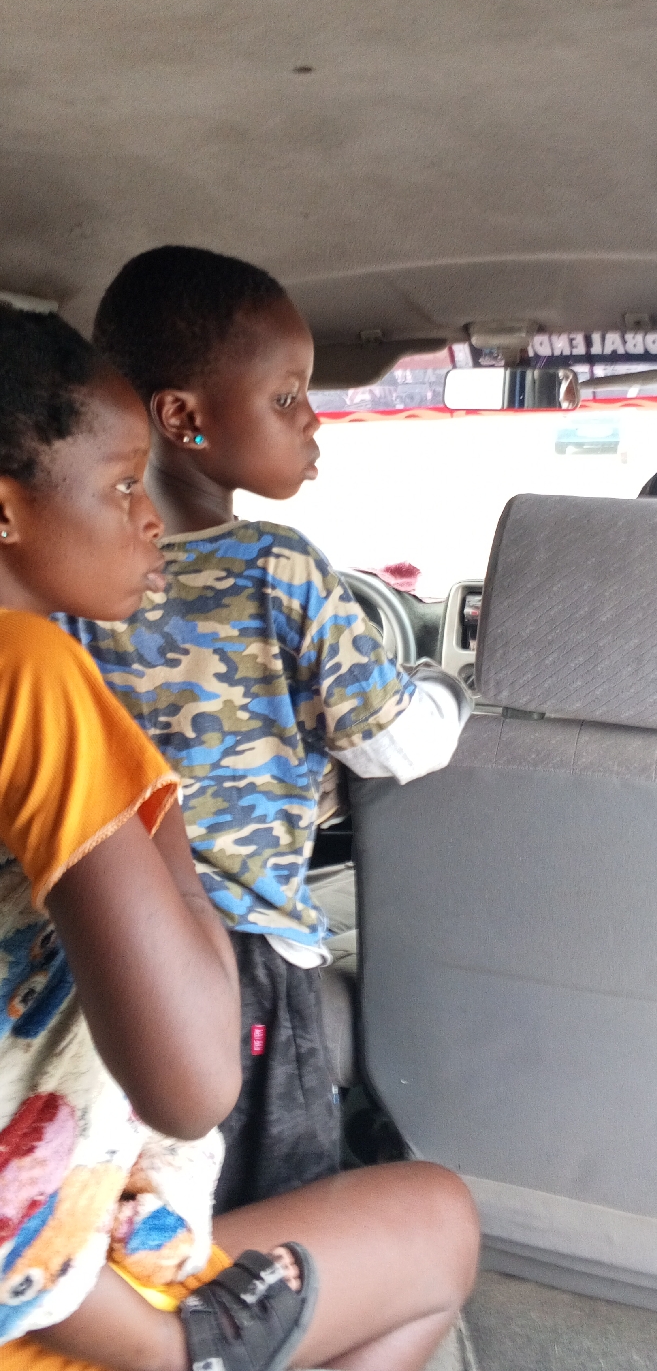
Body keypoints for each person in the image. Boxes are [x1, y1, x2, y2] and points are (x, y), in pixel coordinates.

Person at [0, 305, 480, 1371]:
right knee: (436, 1224)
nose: (147, 522)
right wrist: (158, 809)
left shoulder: (63, 628)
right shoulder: (34, 668)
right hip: (49, 1283)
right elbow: (191, 1087)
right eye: (120, 487)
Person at [59, 245, 471, 1210]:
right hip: (240, 957)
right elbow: (400, 743)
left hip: (91, 944)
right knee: (269, 1211)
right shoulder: (278, 568)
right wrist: (444, 687)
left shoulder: (68, 584)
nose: (313, 417)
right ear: (183, 419)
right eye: (286, 397)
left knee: (119, 1203)